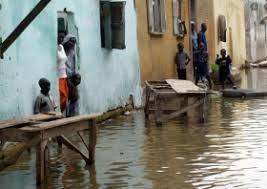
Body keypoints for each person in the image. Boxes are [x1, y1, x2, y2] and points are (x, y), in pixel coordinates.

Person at [57, 32, 69, 113]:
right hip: (59, 76)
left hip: (64, 75)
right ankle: (60, 113)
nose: (62, 39)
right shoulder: (54, 48)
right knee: (62, 95)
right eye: (60, 37)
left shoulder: (61, 46)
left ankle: (62, 114)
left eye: (63, 37)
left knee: (66, 96)